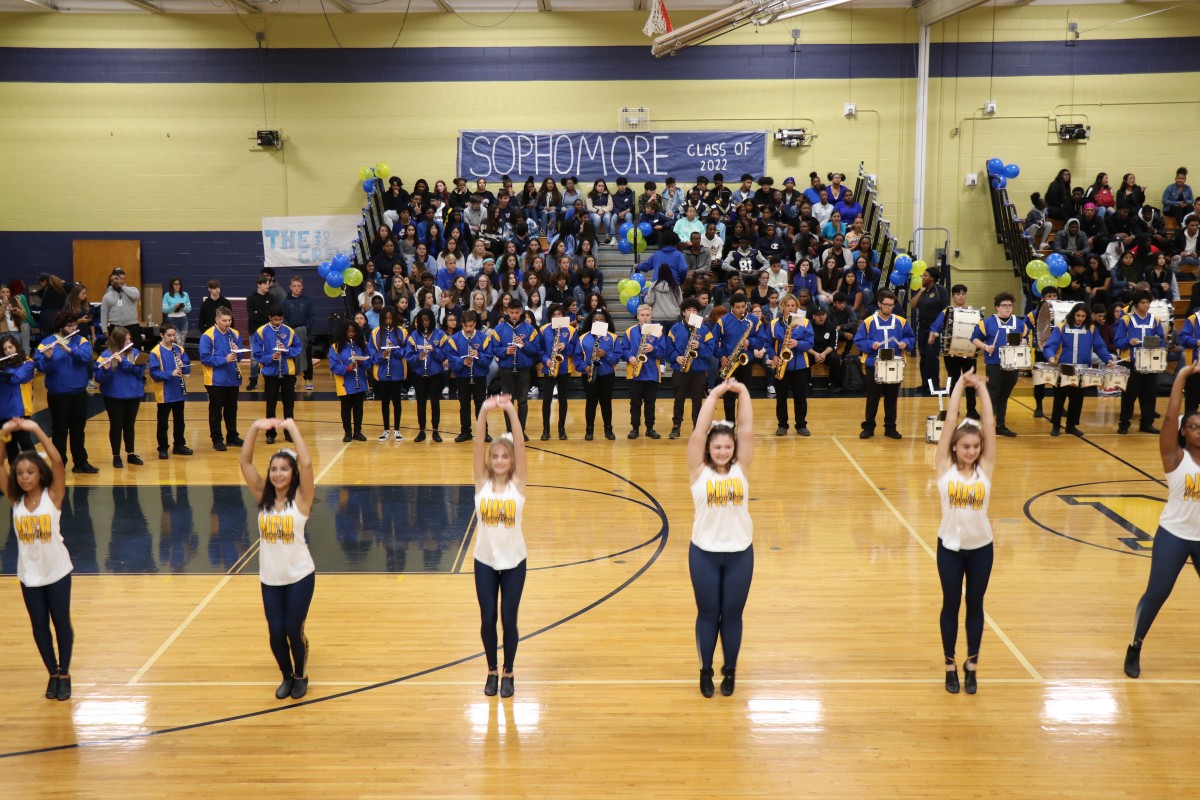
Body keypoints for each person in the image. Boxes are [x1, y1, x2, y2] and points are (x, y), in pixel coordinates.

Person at [1125, 363, 1200, 679]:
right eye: (1194, 425)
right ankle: (1135, 646)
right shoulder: (1174, 457)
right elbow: (1169, 417)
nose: (1199, 429)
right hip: (1175, 533)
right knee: (1157, 592)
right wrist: (1182, 376)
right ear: (1183, 431)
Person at [686, 379, 755, 698]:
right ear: (708, 449)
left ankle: (730, 671)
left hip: (740, 552)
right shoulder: (699, 470)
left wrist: (742, 392)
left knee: (734, 613)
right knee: (708, 613)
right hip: (704, 553)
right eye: (718, 447)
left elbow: (747, 428)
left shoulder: (741, 467)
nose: (724, 450)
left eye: (728, 446)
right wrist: (713, 393)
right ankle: (705, 671)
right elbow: (699, 431)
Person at [239, 417, 316, 700]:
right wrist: (255, 428)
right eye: (274, 469)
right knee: (275, 632)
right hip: (270, 579)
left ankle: (300, 675)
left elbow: (306, 464)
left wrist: (291, 426)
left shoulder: (302, 499)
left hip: (300, 576)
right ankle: (286, 675)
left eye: (284, 469)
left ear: (292, 473)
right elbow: (245, 463)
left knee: (293, 629)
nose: (278, 474)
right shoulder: (263, 497)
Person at [933, 370, 996, 695]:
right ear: (955, 448)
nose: (971, 451)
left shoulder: (985, 470)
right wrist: (959, 384)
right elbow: (949, 421)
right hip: (949, 549)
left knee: (975, 604)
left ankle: (971, 665)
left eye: (975, 447)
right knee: (951, 604)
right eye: (965, 446)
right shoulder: (944, 469)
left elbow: (989, 424)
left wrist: (982, 388)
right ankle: (949, 666)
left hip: (981, 548)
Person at [1, 418, 73, 700]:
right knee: (39, 625)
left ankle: (65, 673)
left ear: (39, 474)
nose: (25, 477)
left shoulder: (53, 496)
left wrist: (35, 430)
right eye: (20, 473)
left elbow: (56, 461)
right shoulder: (15, 500)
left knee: (61, 622)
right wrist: (4, 435)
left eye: (30, 472)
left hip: (56, 570)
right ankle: (52, 673)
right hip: (29, 574)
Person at [471, 394, 529, 698]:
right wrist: (483, 410)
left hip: (515, 562)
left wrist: (509, 410)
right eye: (495, 457)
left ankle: (509, 671)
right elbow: (478, 443)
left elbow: (520, 444)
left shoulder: (518, 484)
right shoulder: (481, 483)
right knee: (488, 619)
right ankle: (492, 670)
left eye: (505, 457)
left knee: (509, 619)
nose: (500, 460)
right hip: (485, 561)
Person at [34, 311, 98, 473]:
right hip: (58, 394)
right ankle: (59, 463)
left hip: (78, 393)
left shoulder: (81, 340)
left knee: (78, 429)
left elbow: (86, 358)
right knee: (59, 431)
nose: (73, 328)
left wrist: (69, 349)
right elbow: (41, 367)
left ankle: (80, 462)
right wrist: (48, 358)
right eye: (69, 326)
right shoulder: (46, 343)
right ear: (60, 327)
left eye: (74, 325)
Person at [1042, 302, 1115, 436]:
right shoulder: (1061, 328)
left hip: (1082, 369)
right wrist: (1051, 357)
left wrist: (1108, 358)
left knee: (1077, 399)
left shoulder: (1091, 329)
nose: (1080, 318)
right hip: (1063, 368)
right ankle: (1056, 425)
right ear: (1073, 314)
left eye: (1083, 316)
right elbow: (1050, 346)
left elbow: (1099, 346)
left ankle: (1071, 425)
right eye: (1078, 315)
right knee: (1059, 398)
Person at [854, 291, 916, 440]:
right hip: (874, 364)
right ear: (879, 304)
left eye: (891, 305)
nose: (888, 308)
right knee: (873, 398)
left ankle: (890, 428)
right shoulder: (869, 321)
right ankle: (869, 427)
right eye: (886, 305)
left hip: (894, 364)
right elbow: (858, 340)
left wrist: (905, 343)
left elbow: (910, 337)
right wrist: (870, 345)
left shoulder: (901, 321)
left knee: (891, 398)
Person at [970, 292, 1024, 437]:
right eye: (1004, 306)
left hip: (1013, 365)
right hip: (994, 364)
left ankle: (1000, 425)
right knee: (993, 395)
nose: (1008, 308)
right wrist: (985, 347)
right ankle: (987, 426)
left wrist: (1024, 342)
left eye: (1010, 305)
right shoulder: (987, 322)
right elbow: (974, 338)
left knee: (1004, 396)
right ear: (997, 307)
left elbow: (1024, 338)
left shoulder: (1018, 323)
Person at [1114, 290, 1165, 435]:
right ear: (1136, 304)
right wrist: (1129, 341)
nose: (1146, 305)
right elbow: (1117, 341)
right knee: (1129, 395)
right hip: (1132, 362)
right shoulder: (1126, 320)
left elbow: (1161, 339)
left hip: (1150, 362)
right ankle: (1124, 423)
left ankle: (1147, 423)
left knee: (1149, 394)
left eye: (1148, 302)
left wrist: (1156, 342)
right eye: (1143, 302)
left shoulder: (1155, 320)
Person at [94, 326, 145, 468]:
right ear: (118, 341)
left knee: (129, 426)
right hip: (113, 396)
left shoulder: (135, 353)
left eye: (130, 339)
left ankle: (131, 453)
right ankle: (116, 456)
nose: (129, 341)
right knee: (116, 426)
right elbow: (99, 378)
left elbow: (139, 373)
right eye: (126, 339)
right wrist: (106, 369)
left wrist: (123, 362)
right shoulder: (105, 355)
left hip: (133, 395)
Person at [252, 306, 303, 442]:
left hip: (287, 372)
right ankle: (270, 433)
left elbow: (298, 347)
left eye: (280, 319)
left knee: (289, 404)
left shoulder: (289, 331)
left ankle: (289, 433)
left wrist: (286, 351)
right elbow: (257, 354)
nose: (278, 322)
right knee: (271, 404)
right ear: (270, 318)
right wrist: (270, 357)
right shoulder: (261, 331)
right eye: (275, 319)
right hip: (270, 373)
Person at [713, 293, 767, 421]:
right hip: (728, 363)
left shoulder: (754, 320)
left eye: (743, 306)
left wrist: (750, 342)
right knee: (728, 398)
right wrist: (721, 357)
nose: (741, 310)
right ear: (732, 307)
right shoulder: (723, 321)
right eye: (738, 307)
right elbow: (713, 342)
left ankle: (743, 425)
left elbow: (762, 339)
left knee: (744, 396)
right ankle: (730, 426)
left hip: (745, 362)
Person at [667, 299, 714, 440]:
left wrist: (699, 346)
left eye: (694, 310)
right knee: (678, 399)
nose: (691, 313)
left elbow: (710, 350)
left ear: (698, 313)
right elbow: (669, 349)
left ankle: (698, 428)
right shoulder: (674, 329)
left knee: (697, 401)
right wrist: (676, 357)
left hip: (698, 371)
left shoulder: (704, 330)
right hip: (680, 370)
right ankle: (676, 427)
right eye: (689, 310)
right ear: (683, 312)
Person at [199, 306, 245, 451]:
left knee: (231, 409)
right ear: (217, 320)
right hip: (215, 380)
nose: (227, 323)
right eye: (224, 320)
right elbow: (204, 358)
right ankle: (217, 439)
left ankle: (232, 436)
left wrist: (237, 353)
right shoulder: (208, 335)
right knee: (216, 411)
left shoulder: (235, 334)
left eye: (229, 320)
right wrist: (224, 359)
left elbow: (240, 356)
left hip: (232, 377)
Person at [930, 284, 979, 417]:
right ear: (953, 296)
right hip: (951, 353)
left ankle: (971, 410)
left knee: (970, 382)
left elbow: (980, 330)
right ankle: (954, 409)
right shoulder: (947, 311)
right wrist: (932, 335)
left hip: (969, 353)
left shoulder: (973, 311)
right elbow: (936, 326)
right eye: (957, 294)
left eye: (963, 294)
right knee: (954, 381)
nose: (960, 296)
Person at [620, 303, 668, 440]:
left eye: (648, 315)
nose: (645, 318)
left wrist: (653, 349)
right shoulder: (630, 331)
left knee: (650, 404)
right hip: (634, 373)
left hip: (652, 373)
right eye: (642, 315)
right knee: (635, 403)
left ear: (651, 316)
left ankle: (650, 428)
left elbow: (663, 352)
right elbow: (624, 349)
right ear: (638, 316)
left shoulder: (658, 332)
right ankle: (634, 428)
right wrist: (630, 357)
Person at [491, 302, 538, 440]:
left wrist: (524, 345)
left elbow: (536, 350)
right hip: (506, 370)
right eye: (511, 313)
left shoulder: (530, 329)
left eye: (517, 313)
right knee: (508, 402)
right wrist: (505, 351)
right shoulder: (499, 329)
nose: (514, 315)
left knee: (523, 401)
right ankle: (510, 430)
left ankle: (521, 431)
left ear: (521, 311)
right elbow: (494, 349)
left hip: (523, 370)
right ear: (507, 311)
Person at [770, 294, 815, 436]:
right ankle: (782, 425)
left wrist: (798, 344)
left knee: (800, 397)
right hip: (781, 366)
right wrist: (774, 356)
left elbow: (810, 343)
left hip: (800, 366)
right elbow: (767, 343)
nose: (790, 308)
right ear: (782, 307)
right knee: (781, 397)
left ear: (796, 307)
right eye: (787, 305)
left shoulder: (805, 322)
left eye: (793, 305)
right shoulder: (774, 323)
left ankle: (801, 425)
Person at [147, 322, 193, 460]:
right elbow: (154, 374)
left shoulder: (179, 349)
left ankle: (179, 445)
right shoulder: (155, 351)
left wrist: (183, 366)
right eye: (169, 335)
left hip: (178, 391)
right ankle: (162, 448)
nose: (172, 338)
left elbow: (188, 369)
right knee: (163, 423)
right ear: (162, 335)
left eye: (174, 335)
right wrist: (170, 373)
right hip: (164, 392)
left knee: (180, 421)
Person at [574, 308, 619, 441]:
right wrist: (584, 367)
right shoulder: (583, 338)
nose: (598, 322)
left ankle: (608, 429)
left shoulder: (613, 337)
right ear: (591, 322)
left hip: (607, 375)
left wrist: (606, 354)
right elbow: (577, 358)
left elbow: (617, 358)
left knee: (606, 403)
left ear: (606, 322)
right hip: (589, 373)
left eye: (601, 320)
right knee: (591, 402)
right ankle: (589, 430)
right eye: (595, 320)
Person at [406, 309, 448, 443]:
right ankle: (422, 430)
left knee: (435, 402)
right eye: (422, 321)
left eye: (427, 320)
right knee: (421, 403)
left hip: (435, 374)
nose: (425, 323)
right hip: (419, 374)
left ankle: (435, 430)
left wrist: (433, 350)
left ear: (431, 320)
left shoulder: (440, 334)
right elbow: (408, 356)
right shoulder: (413, 336)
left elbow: (445, 355)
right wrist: (418, 357)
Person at [369, 306, 409, 442]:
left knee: (397, 401)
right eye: (386, 319)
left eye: (391, 319)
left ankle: (397, 430)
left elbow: (407, 352)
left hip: (397, 371)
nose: (388, 321)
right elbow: (371, 354)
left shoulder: (402, 332)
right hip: (382, 372)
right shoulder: (375, 333)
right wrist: (382, 355)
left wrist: (394, 349)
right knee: (384, 401)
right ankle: (386, 429)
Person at [534, 304, 573, 441]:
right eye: (554, 315)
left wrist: (565, 345)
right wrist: (546, 360)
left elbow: (575, 347)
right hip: (549, 367)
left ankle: (561, 429)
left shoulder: (570, 330)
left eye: (559, 314)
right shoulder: (544, 330)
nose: (557, 317)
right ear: (550, 317)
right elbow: (540, 349)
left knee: (563, 399)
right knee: (547, 399)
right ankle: (546, 429)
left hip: (564, 368)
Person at [329, 318, 370, 442]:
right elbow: (334, 366)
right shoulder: (335, 347)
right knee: (346, 408)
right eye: (348, 332)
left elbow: (368, 363)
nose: (351, 334)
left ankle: (358, 431)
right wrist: (347, 367)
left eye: (353, 332)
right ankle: (347, 432)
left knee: (359, 408)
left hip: (360, 381)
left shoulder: (362, 345)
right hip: (344, 383)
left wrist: (360, 362)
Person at [910, 268, 950, 392]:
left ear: (932, 278)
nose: (922, 277)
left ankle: (934, 385)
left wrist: (939, 329)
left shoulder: (940, 290)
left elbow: (946, 310)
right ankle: (925, 384)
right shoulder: (922, 290)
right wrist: (920, 292)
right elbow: (912, 305)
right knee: (923, 356)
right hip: (922, 327)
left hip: (935, 328)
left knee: (932, 356)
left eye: (925, 275)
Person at [0, 334, 35, 464]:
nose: (9, 351)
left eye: (11, 347)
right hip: (3, 411)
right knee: (10, 447)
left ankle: (36, 471)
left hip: (21, 410)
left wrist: (4, 374)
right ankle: (15, 476)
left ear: (16, 346)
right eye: (5, 349)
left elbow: (17, 378)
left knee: (26, 443)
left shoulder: (27, 362)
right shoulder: (2, 365)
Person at [282, 276, 316, 391]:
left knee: (306, 356)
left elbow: (311, 317)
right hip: (290, 335)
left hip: (305, 334)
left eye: (299, 286)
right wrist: (290, 331)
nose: (297, 288)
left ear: (302, 287)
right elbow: (283, 318)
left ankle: (308, 379)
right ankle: (293, 380)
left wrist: (305, 329)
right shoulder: (285, 302)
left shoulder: (308, 300)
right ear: (290, 287)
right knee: (292, 358)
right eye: (294, 286)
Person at [98, 268, 142, 350]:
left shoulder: (132, 290)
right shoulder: (107, 296)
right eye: (112, 280)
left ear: (122, 279)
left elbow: (136, 296)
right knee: (116, 350)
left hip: (132, 326)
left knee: (135, 350)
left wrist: (122, 286)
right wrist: (105, 331)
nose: (114, 281)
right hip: (115, 327)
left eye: (116, 279)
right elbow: (104, 314)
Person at [245, 276, 273, 391]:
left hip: (268, 332)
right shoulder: (251, 298)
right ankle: (253, 380)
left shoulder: (272, 297)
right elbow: (253, 316)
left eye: (268, 283)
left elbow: (272, 314)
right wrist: (265, 315)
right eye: (265, 283)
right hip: (254, 332)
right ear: (259, 284)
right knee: (254, 357)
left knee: (268, 355)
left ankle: (268, 379)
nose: (268, 285)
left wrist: (260, 313)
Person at [162, 277, 192, 343]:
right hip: (172, 320)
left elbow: (189, 309)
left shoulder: (185, 294)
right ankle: (178, 353)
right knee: (178, 342)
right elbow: (164, 310)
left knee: (182, 342)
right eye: (175, 284)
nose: (177, 286)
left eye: (179, 284)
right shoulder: (167, 295)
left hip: (183, 320)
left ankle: (180, 353)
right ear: (172, 285)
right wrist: (173, 306)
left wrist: (183, 308)